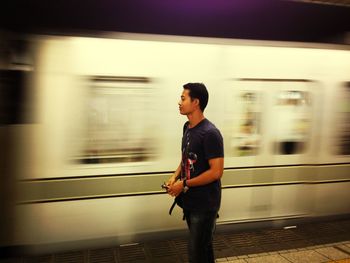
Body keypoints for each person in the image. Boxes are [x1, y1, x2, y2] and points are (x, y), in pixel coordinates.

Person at [166, 83, 224, 263]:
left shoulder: (210, 133)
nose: (179, 102)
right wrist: (174, 177)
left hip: (205, 204)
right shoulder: (188, 128)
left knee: (196, 253)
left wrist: (183, 184)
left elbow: (216, 172)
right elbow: (186, 158)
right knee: (203, 249)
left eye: (183, 98)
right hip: (191, 201)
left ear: (196, 102)